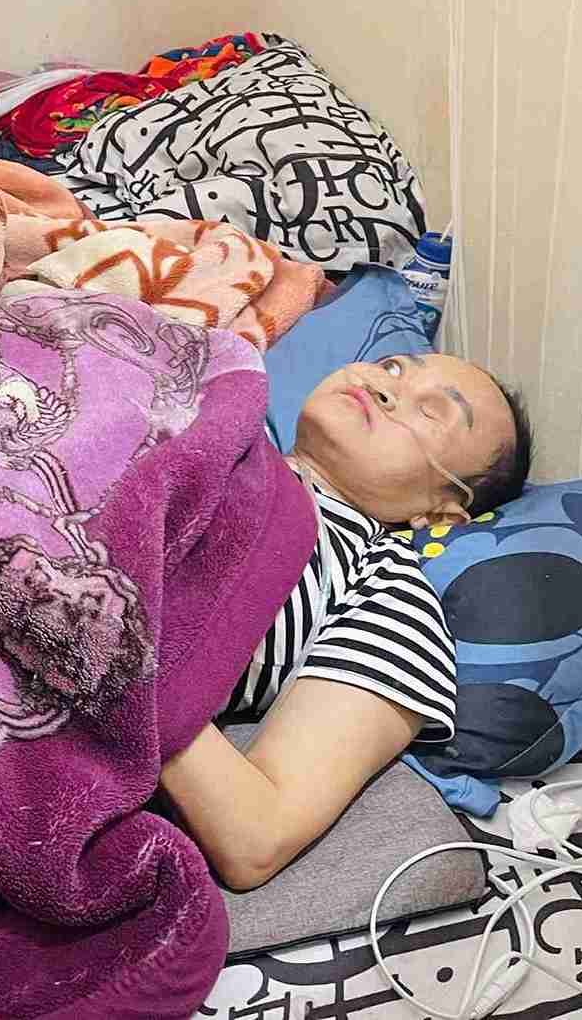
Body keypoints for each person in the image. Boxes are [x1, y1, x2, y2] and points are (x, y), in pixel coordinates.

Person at [158, 351, 533, 891]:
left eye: (431, 412)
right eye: (395, 367)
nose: (384, 387)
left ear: (443, 511)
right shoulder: (217, 416)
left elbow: (257, 835)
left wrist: (110, 641)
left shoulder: (386, 588)